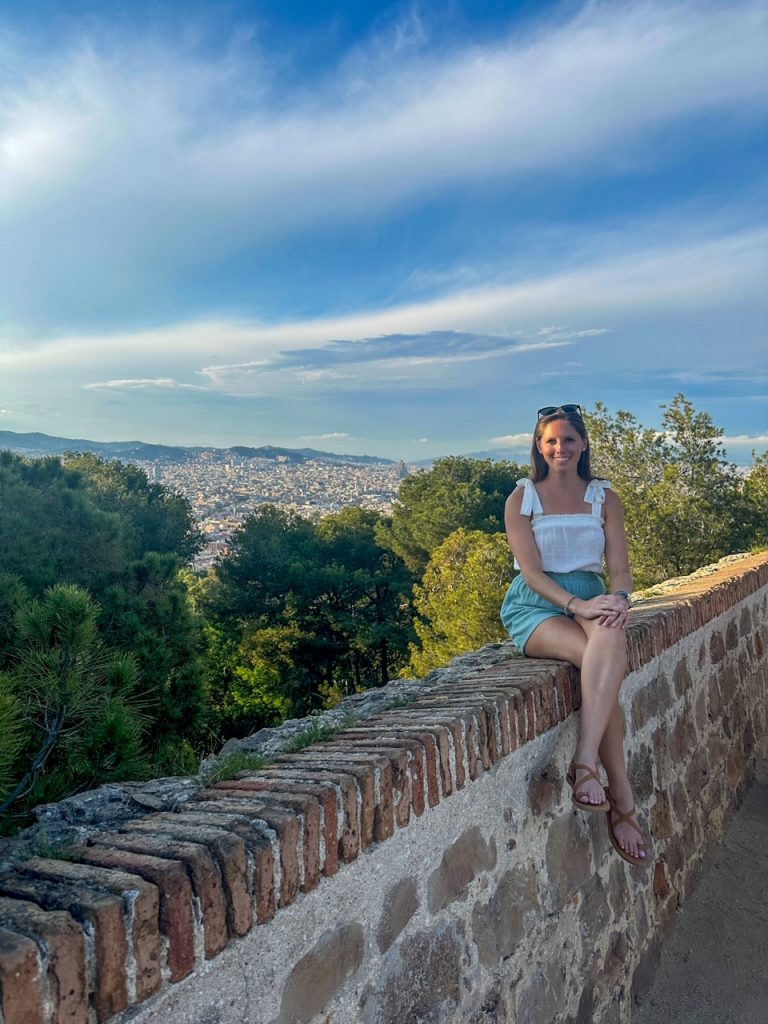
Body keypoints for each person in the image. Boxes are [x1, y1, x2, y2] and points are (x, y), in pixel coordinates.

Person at [500, 404, 647, 865]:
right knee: (602, 664)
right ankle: (621, 796)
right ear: (539, 447)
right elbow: (531, 571)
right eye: (550, 440)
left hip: (591, 596)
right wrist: (578, 605)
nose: (559, 448)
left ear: (583, 445)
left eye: (568, 439)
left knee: (606, 646)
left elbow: (620, 571)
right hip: (537, 603)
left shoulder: (605, 497)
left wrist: (620, 600)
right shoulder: (522, 498)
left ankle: (584, 764)